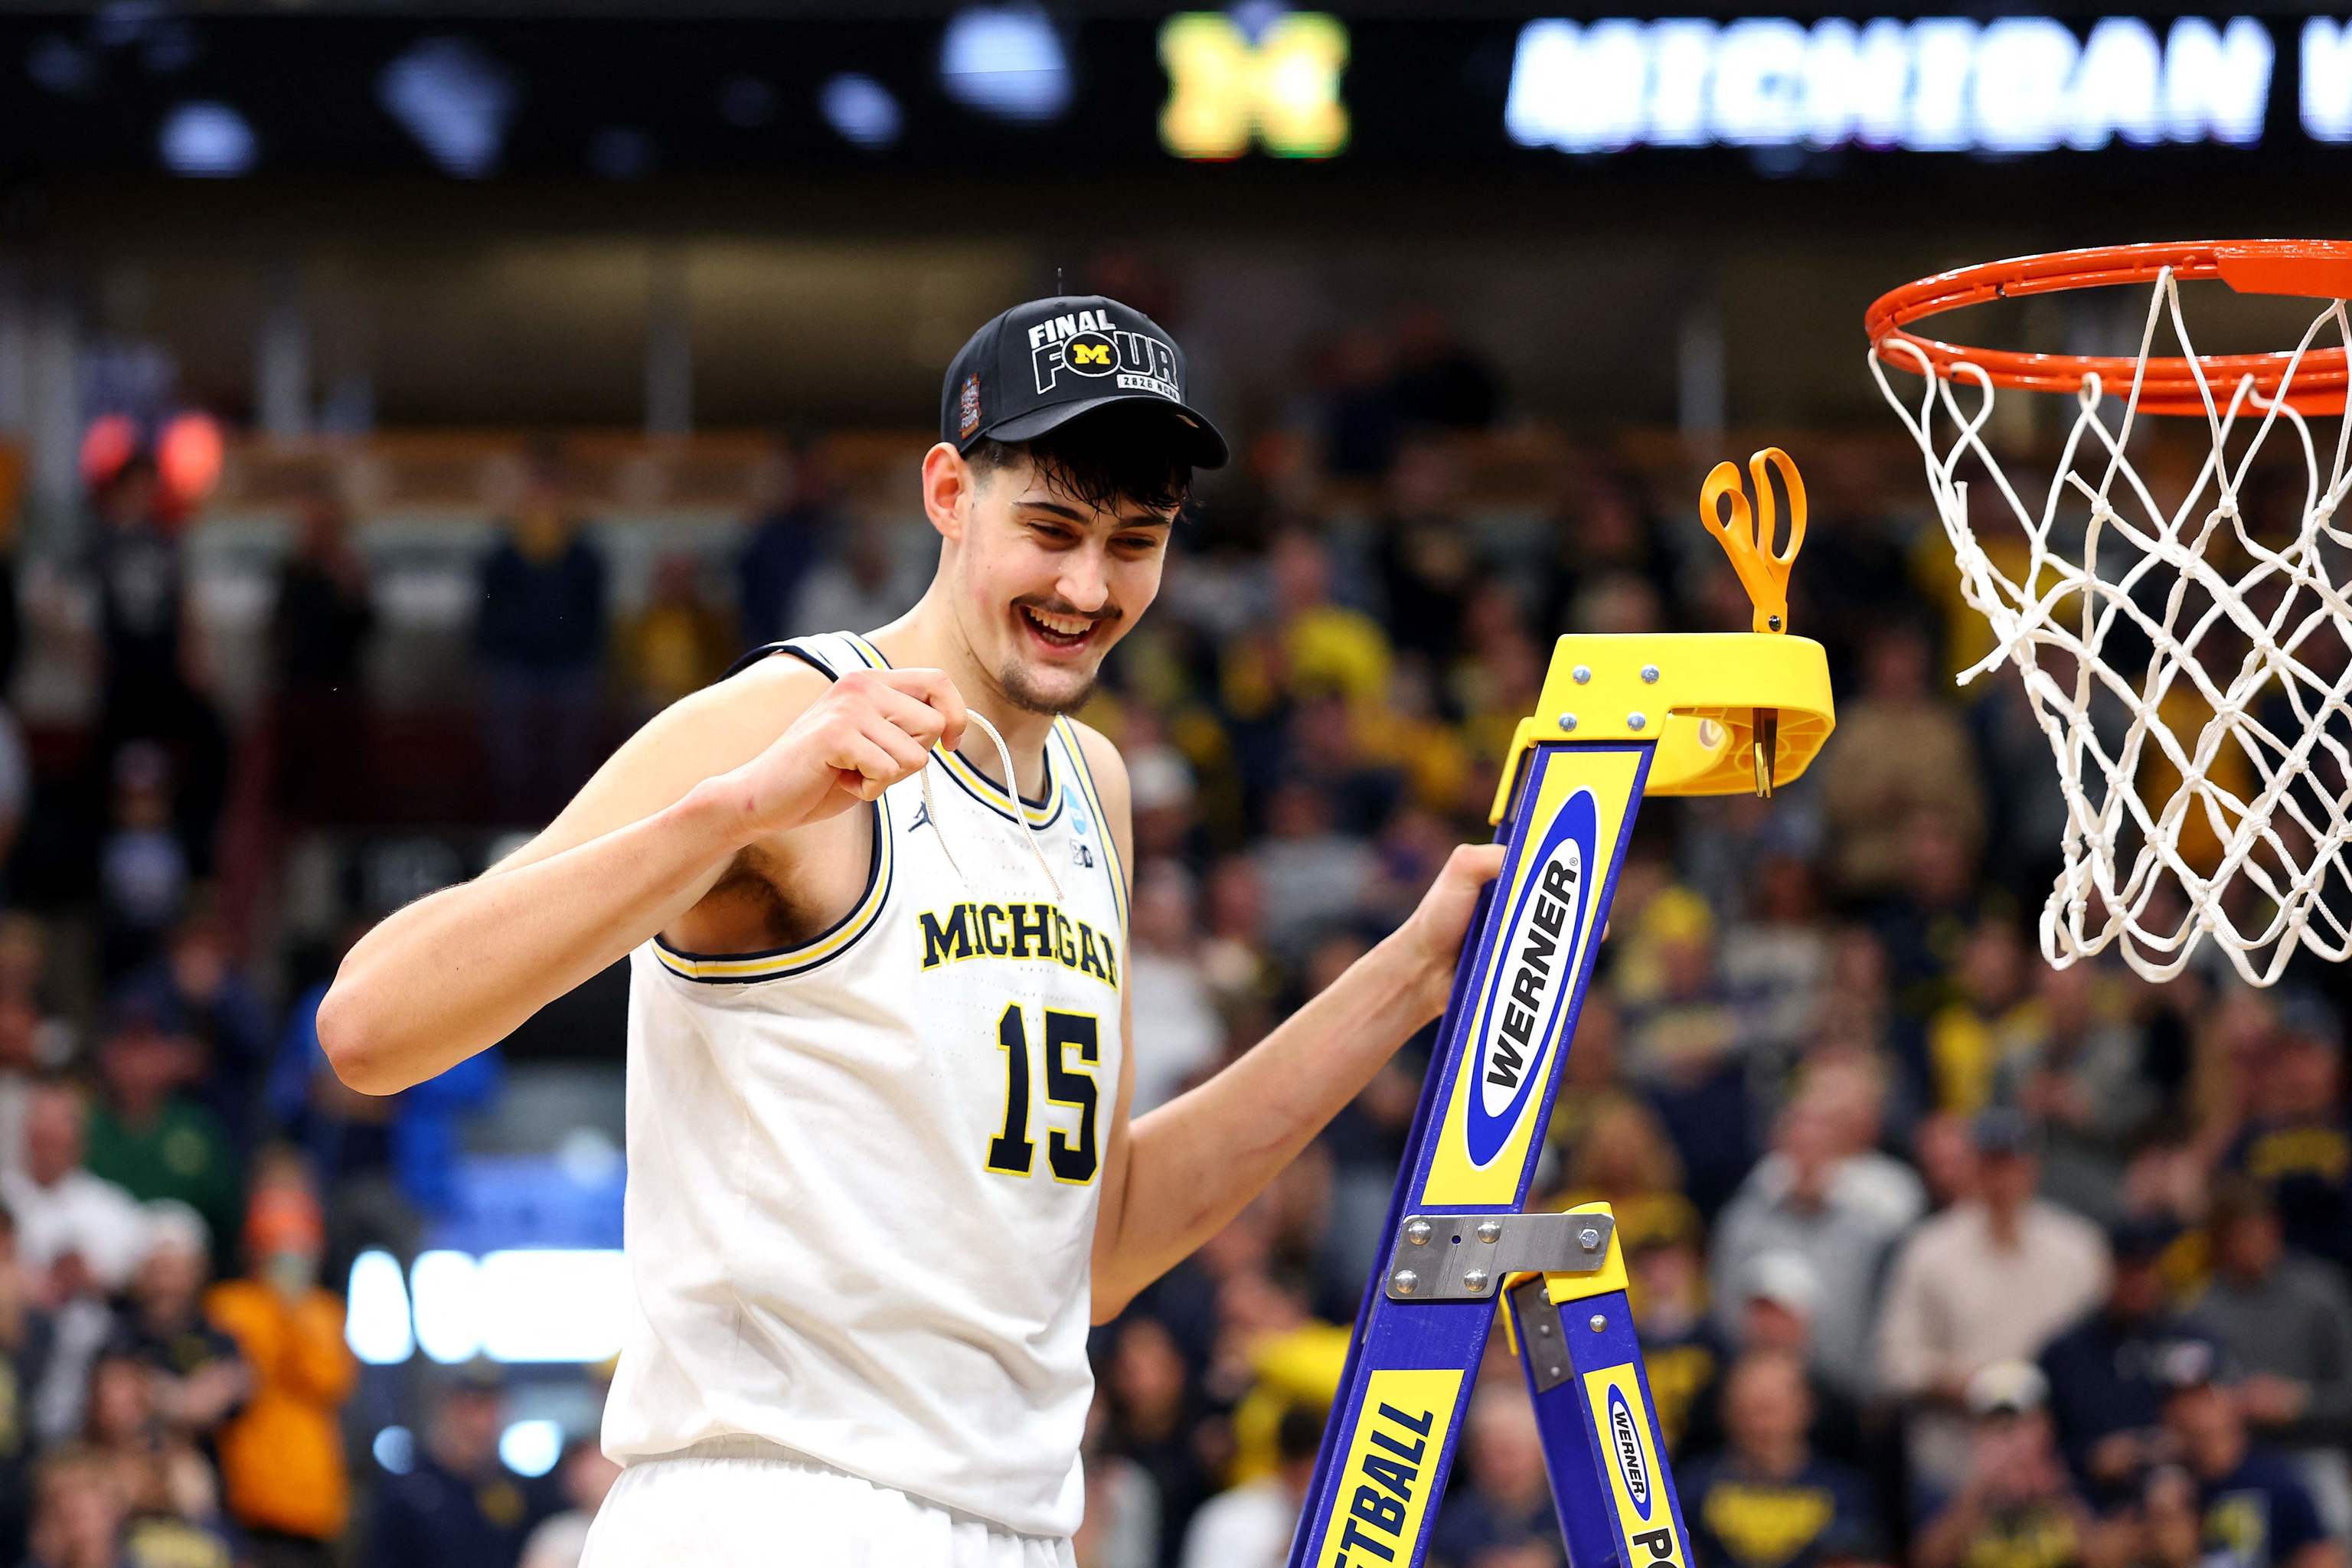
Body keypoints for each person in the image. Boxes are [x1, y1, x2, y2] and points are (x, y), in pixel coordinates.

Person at [318, 293, 1507, 1568]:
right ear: (948, 492)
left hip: (1013, 1521)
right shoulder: (783, 713)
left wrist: (1408, 979)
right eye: (1050, 528)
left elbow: (1097, 1249)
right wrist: (733, 812)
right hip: (774, 1512)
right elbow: (370, 1026)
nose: (1087, 586)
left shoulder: (1096, 790)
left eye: (1135, 541)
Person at [1877, 1110, 2109, 1496]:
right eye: (1992, 1164)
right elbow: (1894, 1361)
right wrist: (1965, 1383)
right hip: (1956, 1460)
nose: (2003, 1178)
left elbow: (2102, 1349)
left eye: (2013, 1164)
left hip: (2054, 1462)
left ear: (2032, 1167)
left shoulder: (2078, 1248)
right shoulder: (1929, 1250)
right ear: (1973, 1167)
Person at [2145, 1339, 2343, 1568]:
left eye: (2204, 1396)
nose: (2191, 1412)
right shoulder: (2162, 1484)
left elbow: (2323, 1557)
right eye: (2177, 1401)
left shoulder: (2276, 1479)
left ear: (2232, 1398)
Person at [1681, 1348, 1882, 1568]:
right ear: (1725, 1413)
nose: (1759, 1424)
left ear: (1806, 1407)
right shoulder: (1690, 1489)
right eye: (1746, 1410)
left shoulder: (1845, 1493)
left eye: (1770, 1409)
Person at [366, 1361, 550, 1568]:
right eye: (468, 1409)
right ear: (442, 1412)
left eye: (491, 1409)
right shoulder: (408, 1495)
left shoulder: (518, 1491)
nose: (481, 1423)